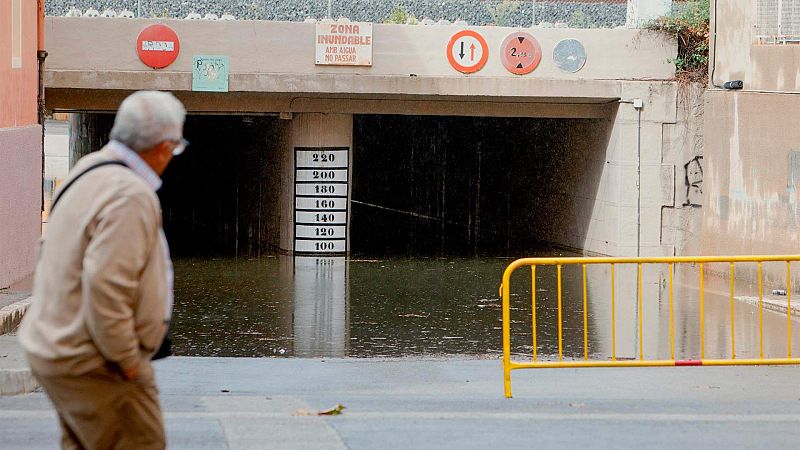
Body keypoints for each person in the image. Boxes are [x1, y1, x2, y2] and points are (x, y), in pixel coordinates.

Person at [18, 90, 187, 449]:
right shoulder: (129, 194)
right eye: (176, 148)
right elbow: (107, 285)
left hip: (58, 350)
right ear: (162, 146)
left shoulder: (86, 172)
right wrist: (128, 362)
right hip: (96, 363)